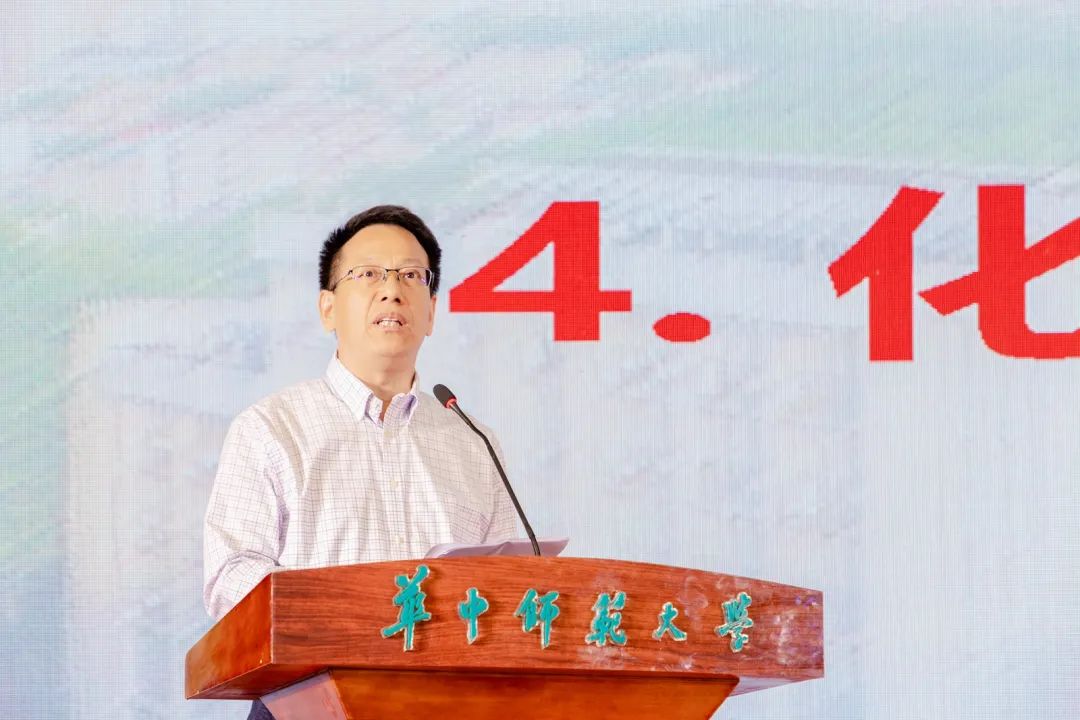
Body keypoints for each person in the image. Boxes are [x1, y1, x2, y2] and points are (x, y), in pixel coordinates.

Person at [202, 205, 519, 720]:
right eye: (368, 274)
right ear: (328, 308)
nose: (391, 290)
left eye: (411, 276)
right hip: (306, 702)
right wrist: (347, 612)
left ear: (431, 311)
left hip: (446, 705)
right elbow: (231, 577)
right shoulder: (270, 428)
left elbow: (509, 587)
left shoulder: (473, 442)